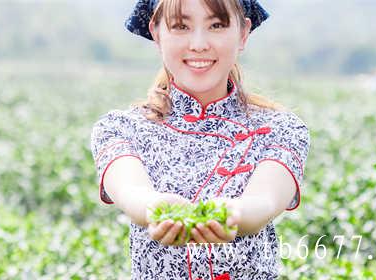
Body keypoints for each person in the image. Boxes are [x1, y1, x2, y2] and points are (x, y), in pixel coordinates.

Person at [90, 0, 310, 279]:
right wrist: (155, 208)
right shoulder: (121, 128)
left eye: (216, 25)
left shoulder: (280, 129)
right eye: (181, 26)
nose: (198, 44)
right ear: (156, 34)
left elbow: (265, 200)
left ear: (243, 34)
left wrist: (233, 214)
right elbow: (130, 191)